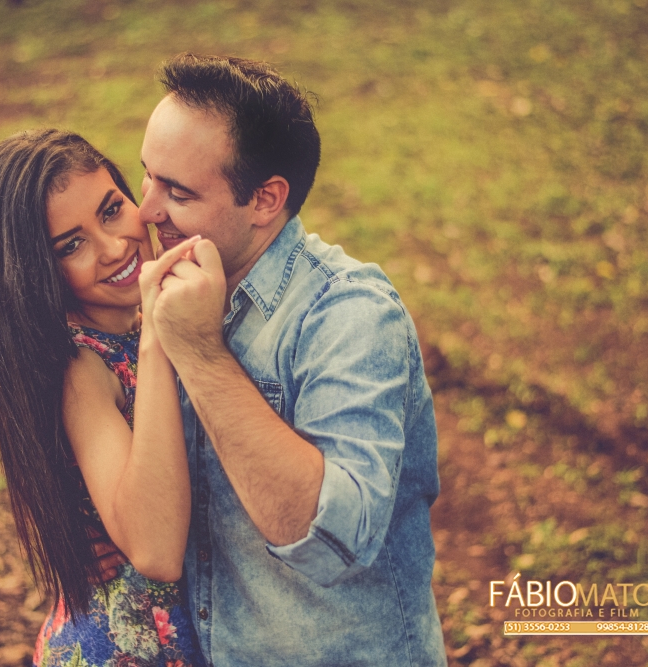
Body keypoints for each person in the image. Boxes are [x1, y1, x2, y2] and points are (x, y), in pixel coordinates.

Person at [136, 54, 447, 666]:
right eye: (146, 176)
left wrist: (200, 354)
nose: (147, 210)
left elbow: (335, 542)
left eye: (177, 192)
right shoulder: (176, 284)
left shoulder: (350, 315)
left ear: (265, 200)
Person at [0, 129, 204, 666]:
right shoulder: (82, 367)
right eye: (70, 245)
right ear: (36, 274)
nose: (115, 247)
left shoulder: (147, 319)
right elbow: (156, 550)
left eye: (112, 210)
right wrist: (157, 340)